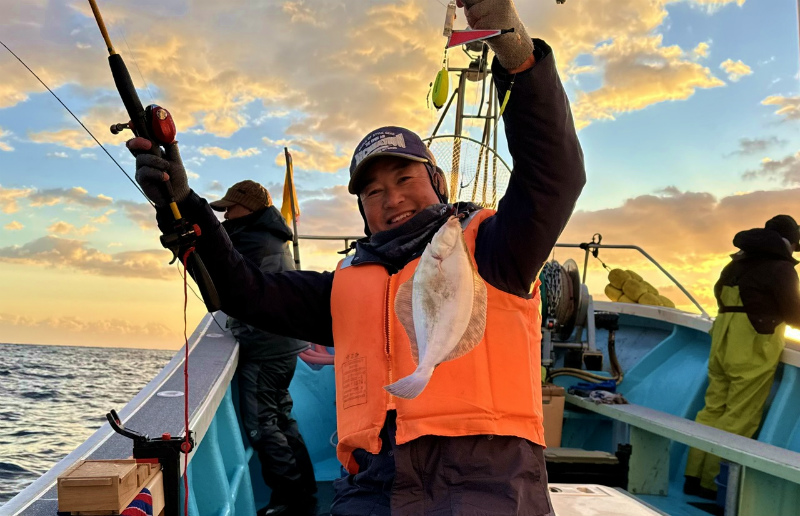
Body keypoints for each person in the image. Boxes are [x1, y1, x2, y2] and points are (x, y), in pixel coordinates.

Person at [128, 0, 585, 514]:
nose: (392, 199)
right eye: (373, 191)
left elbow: (555, 176)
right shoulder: (345, 286)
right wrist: (182, 205)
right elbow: (245, 291)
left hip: (489, 487)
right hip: (372, 489)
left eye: (405, 178)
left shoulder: (496, 249)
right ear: (363, 209)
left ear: (437, 181)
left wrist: (517, 56)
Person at [210, 180, 317, 516]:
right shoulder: (271, 236)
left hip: (265, 346)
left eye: (230, 208)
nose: (226, 215)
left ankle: (290, 500)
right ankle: (306, 493)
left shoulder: (249, 240)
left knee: (262, 425)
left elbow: (221, 270)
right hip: (284, 343)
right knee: (282, 417)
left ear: (248, 208)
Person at [684, 215, 800, 498]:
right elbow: (794, 314)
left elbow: (720, 296)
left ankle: (692, 477)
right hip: (753, 345)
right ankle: (712, 485)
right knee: (740, 416)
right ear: (790, 241)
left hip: (722, 340)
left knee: (712, 410)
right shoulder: (782, 268)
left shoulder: (735, 263)